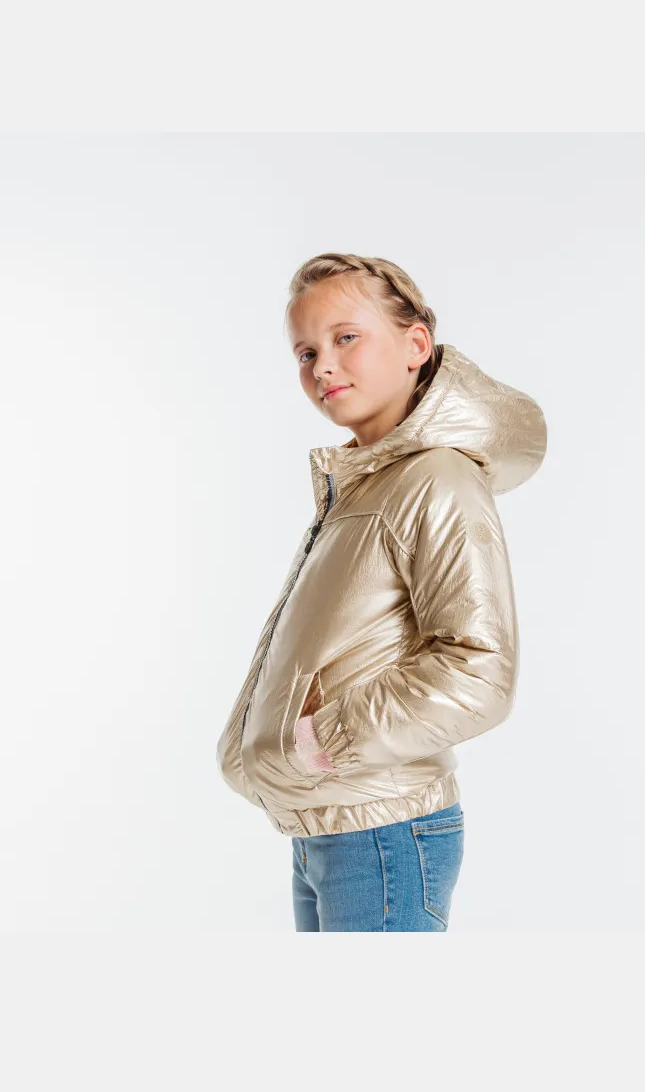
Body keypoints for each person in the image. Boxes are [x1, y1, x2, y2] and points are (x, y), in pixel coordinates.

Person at [216, 252, 547, 931]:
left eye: (346, 337)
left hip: (383, 835)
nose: (323, 366)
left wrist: (323, 737)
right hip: (331, 826)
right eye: (306, 352)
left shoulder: (439, 482)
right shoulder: (365, 485)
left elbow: (479, 670)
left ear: (416, 345)